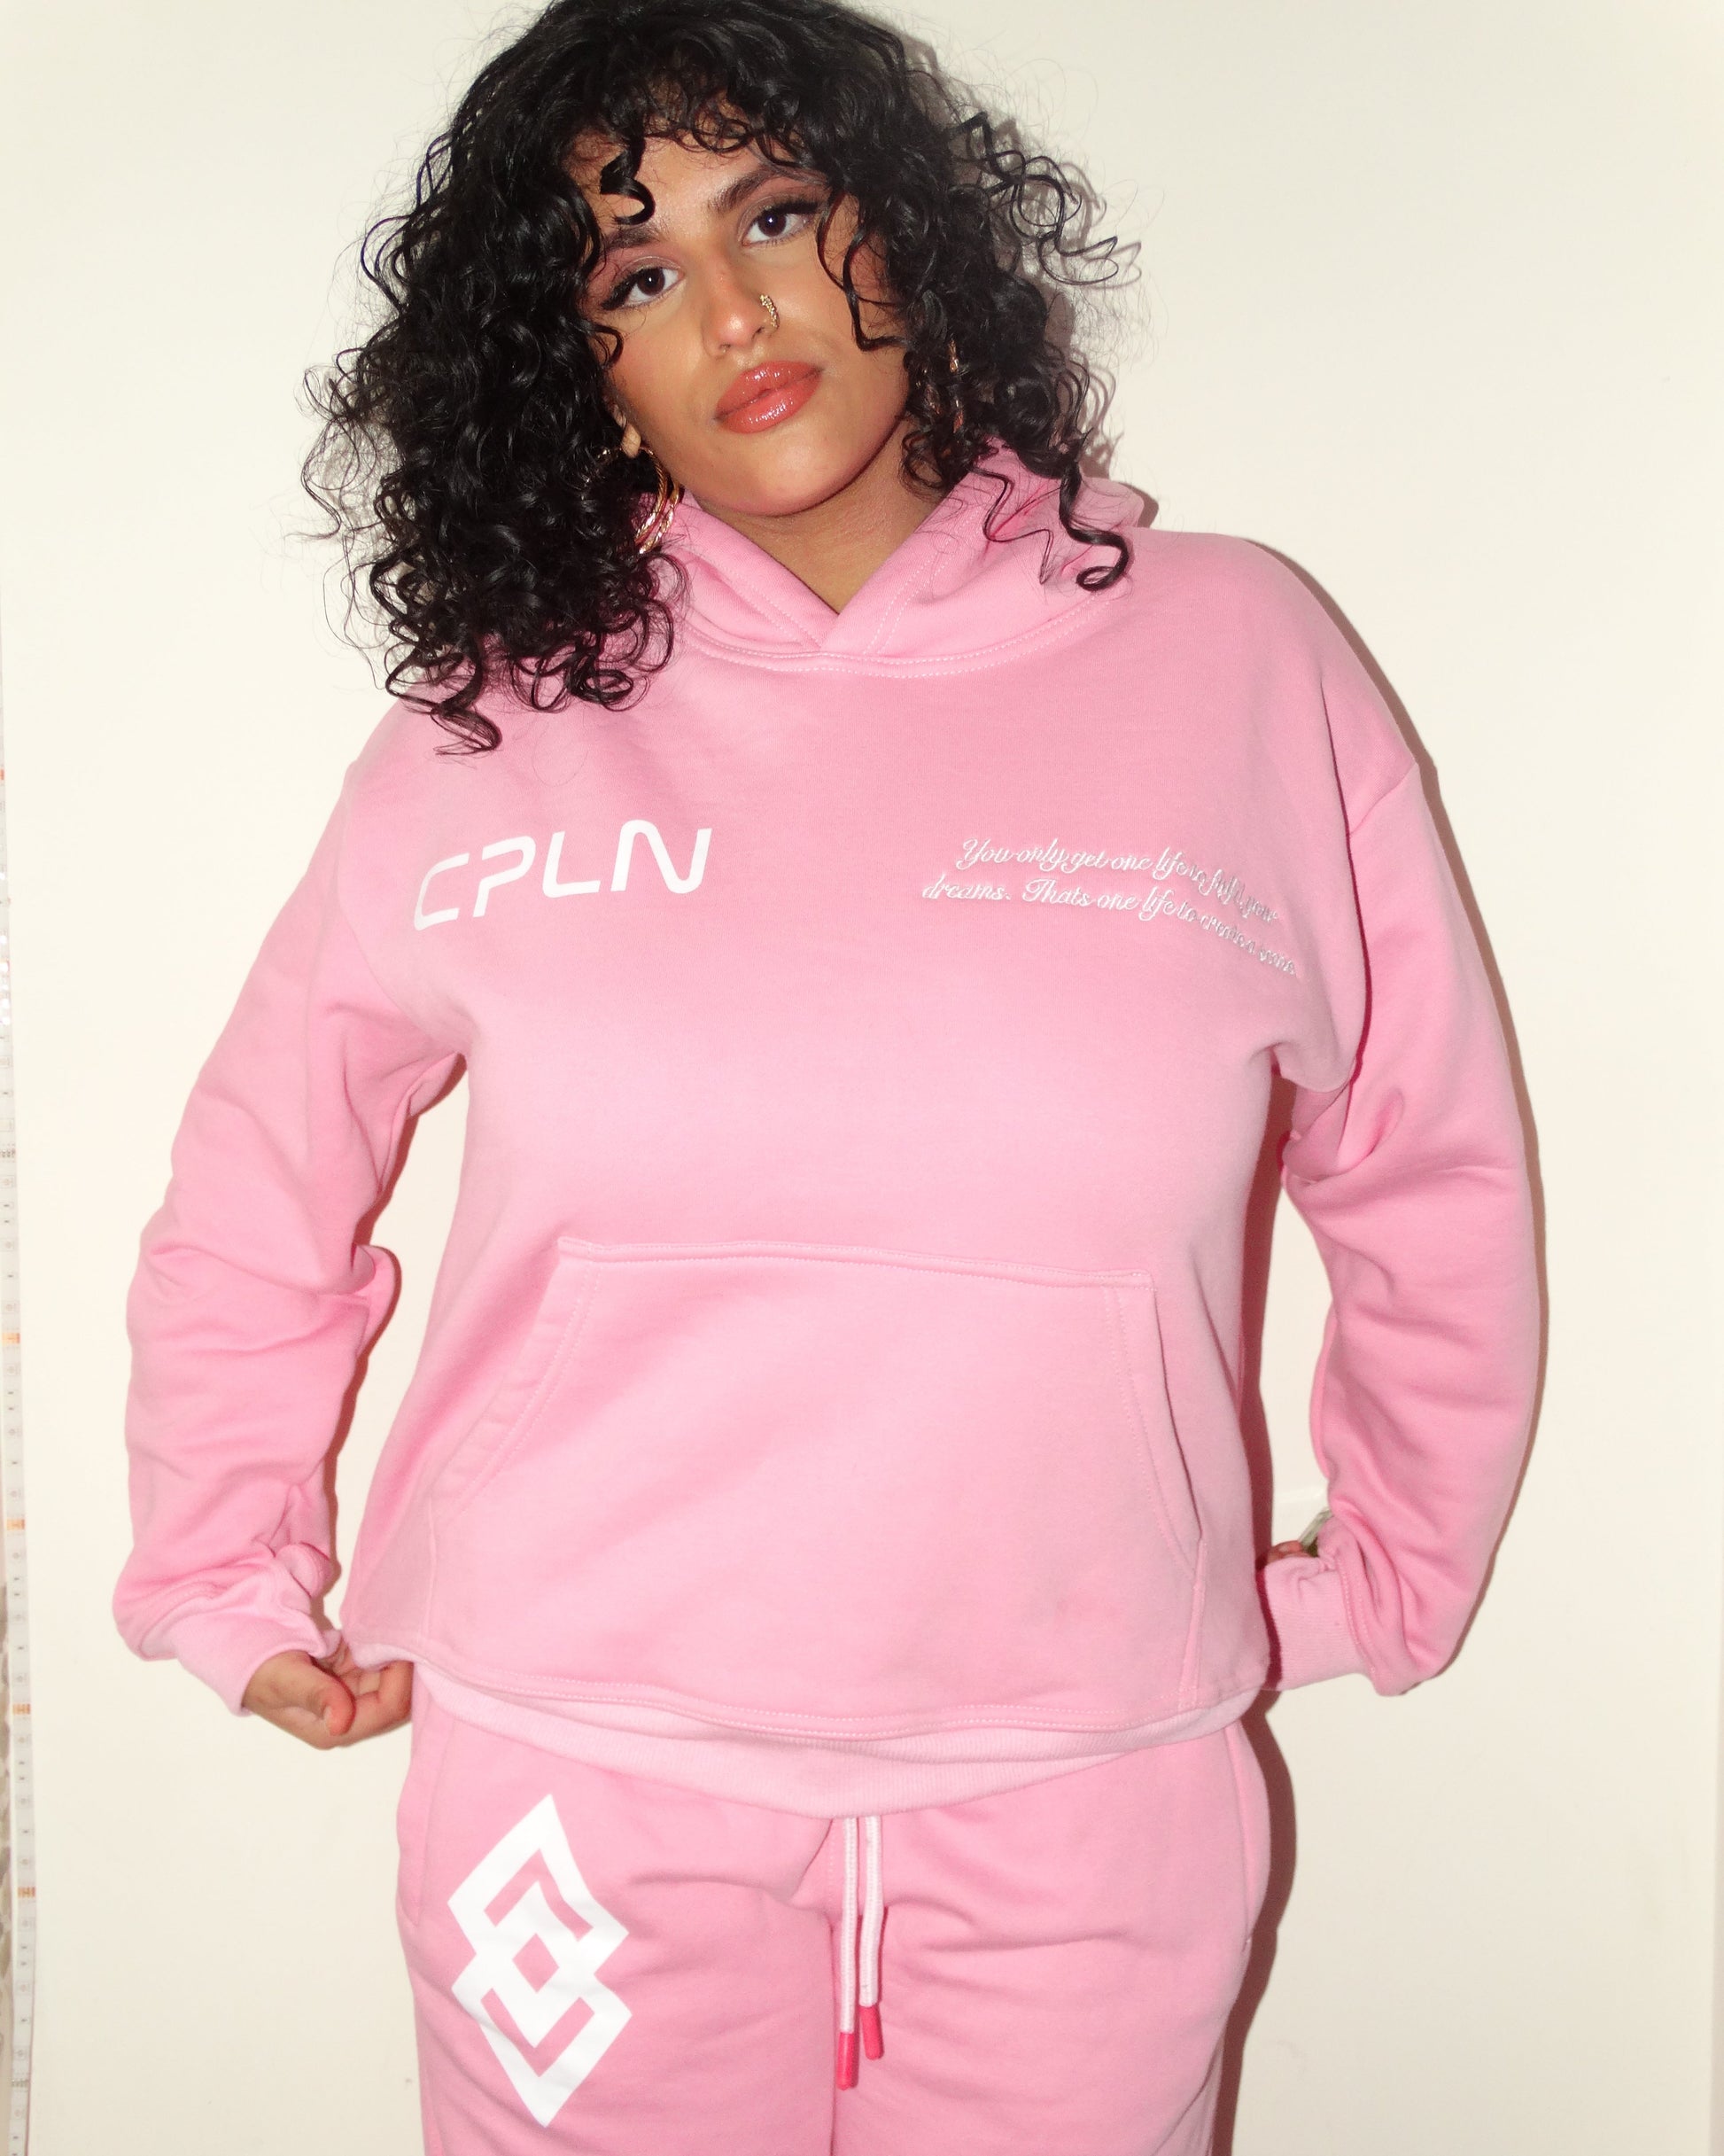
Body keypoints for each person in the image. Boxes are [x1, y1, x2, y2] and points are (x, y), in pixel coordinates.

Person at [111, 1, 1541, 2149]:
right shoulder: (493, 730)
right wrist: (221, 1570)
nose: (733, 311)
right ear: (572, 363)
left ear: (911, 233)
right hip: (576, 1782)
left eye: (774, 214)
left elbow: (1425, 1159)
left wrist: (1393, 1571)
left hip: (1091, 1787)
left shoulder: (1239, 654)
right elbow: (262, 1171)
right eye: (637, 270)